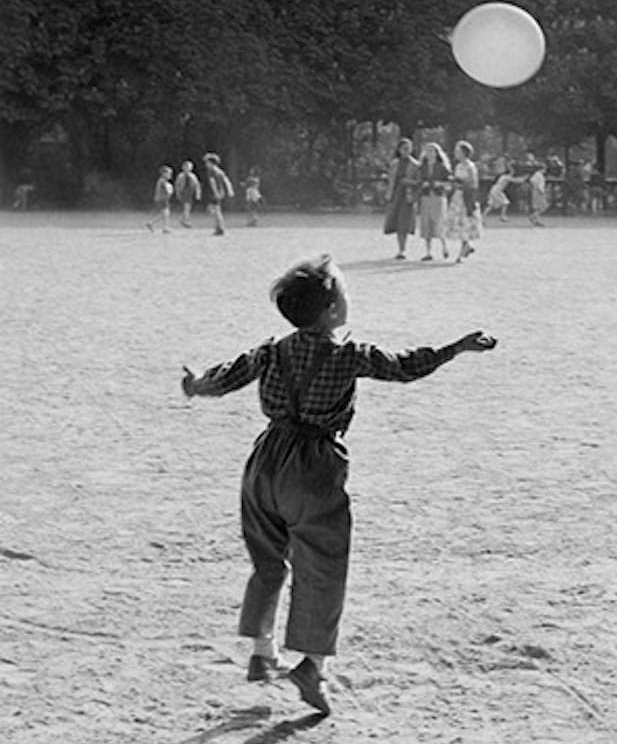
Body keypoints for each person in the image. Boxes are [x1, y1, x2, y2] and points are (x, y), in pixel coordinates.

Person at [181, 253, 497, 715]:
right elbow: (406, 366)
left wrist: (196, 385)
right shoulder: (350, 355)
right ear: (331, 311)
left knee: (268, 560)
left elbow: (226, 377)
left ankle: (261, 649)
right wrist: (456, 347)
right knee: (323, 566)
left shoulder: (270, 350)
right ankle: (311, 666)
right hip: (314, 467)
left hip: (265, 461)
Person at [383, 137, 419, 259]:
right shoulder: (394, 164)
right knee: (396, 222)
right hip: (395, 195)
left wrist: (408, 182)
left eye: (408, 148)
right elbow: (390, 179)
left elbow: (419, 182)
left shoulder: (415, 165)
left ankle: (402, 249)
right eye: (403, 148)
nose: (406, 151)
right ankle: (400, 248)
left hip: (408, 196)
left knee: (404, 223)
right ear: (399, 150)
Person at [446, 140, 482, 262]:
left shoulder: (470, 166)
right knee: (459, 223)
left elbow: (473, 183)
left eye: (458, 151)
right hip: (458, 196)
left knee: (465, 222)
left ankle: (462, 252)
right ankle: (466, 246)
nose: (456, 153)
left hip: (466, 197)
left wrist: (460, 182)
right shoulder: (458, 166)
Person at [416, 142, 451, 260]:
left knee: (439, 222)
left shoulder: (442, 167)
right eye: (427, 151)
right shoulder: (422, 167)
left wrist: (440, 184)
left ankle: (444, 247)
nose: (429, 153)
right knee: (426, 223)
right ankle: (428, 252)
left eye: (432, 151)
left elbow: (450, 182)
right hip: (426, 197)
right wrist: (422, 184)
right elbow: (417, 181)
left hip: (438, 196)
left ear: (437, 153)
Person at [203, 153, 234, 236]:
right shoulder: (220, 171)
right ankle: (218, 227)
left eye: (207, 162)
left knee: (216, 211)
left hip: (215, 193)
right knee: (215, 210)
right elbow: (226, 180)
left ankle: (220, 228)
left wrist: (215, 192)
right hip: (221, 192)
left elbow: (212, 182)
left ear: (211, 163)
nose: (206, 164)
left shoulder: (211, 171)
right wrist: (230, 190)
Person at [146, 165, 174, 233]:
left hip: (160, 199)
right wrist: (171, 189)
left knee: (164, 214)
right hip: (162, 199)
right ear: (164, 174)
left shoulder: (161, 180)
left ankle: (151, 223)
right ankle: (165, 228)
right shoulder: (162, 181)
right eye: (169, 173)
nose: (170, 175)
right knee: (166, 214)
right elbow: (168, 191)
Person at [175, 160, 202, 228]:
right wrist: (178, 193)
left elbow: (197, 185)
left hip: (190, 192)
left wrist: (198, 193)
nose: (187, 169)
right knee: (187, 207)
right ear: (183, 168)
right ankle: (185, 221)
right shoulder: (180, 176)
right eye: (186, 167)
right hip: (184, 192)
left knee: (188, 208)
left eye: (189, 167)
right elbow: (177, 185)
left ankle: (183, 220)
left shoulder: (193, 176)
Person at [528, 163, 548, 227]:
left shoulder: (538, 174)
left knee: (539, 207)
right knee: (542, 206)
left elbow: (532, 180)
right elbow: (534, 182)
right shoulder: (538, 175)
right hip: (538, 192)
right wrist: (540, 190)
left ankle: (537, 220)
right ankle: (533, 217)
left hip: (536, 191)